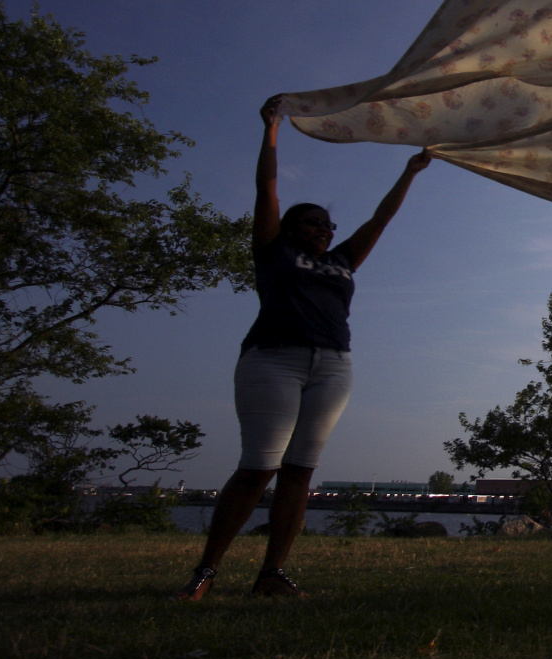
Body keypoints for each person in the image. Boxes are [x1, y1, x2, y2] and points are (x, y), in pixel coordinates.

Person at [173, 97, 432, 601]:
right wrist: (271, 131)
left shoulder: (343, 260)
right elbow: (265, 188)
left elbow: (380, 220)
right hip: (273, 359)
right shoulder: (273, 250)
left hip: (333, 366)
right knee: (258, 468)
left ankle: (272, 574)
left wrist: (411, 171)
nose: (324, 230)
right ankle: (205, 571)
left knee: (300, 473)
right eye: (314, 223)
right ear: (292, 227)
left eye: (328, 225)